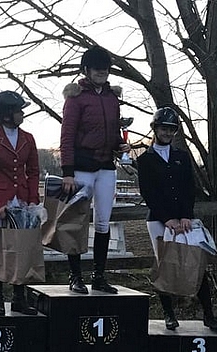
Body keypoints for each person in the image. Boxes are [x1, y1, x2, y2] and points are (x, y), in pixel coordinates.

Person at [137, 107, 217, 332]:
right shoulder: (145, 160)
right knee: (166, 264)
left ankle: (209, 314)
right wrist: (167, 219)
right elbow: (148, 193)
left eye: (171, 129)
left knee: (196, 264)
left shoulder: (182, 157)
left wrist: (185, 215)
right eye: (164, 128)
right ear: (155, 129)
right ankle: (168, 314)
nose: (167, 133)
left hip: (184, 219)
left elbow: (189, 188)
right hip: (158, 220)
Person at [59, 45, 131, 295]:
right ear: (87, 70)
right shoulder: (76, 98)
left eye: (105, 69)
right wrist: (67, 171)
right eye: (97, 69)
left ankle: (99, 276)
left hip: (106, 168)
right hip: (81, 167)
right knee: (77, 221)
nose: (102, 72)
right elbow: (67, 136)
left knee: (103, 222)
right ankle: (75, 276)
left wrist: (120, 144)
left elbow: (111, 132)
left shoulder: (112, 98)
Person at [0, 91, 39, 316]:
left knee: (21, 247)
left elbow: (33, 171)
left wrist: (32, 200)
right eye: (17, 111)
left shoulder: (28, 138)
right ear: (6, 115)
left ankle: (19, 297)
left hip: (21, 199)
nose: (22, 114)